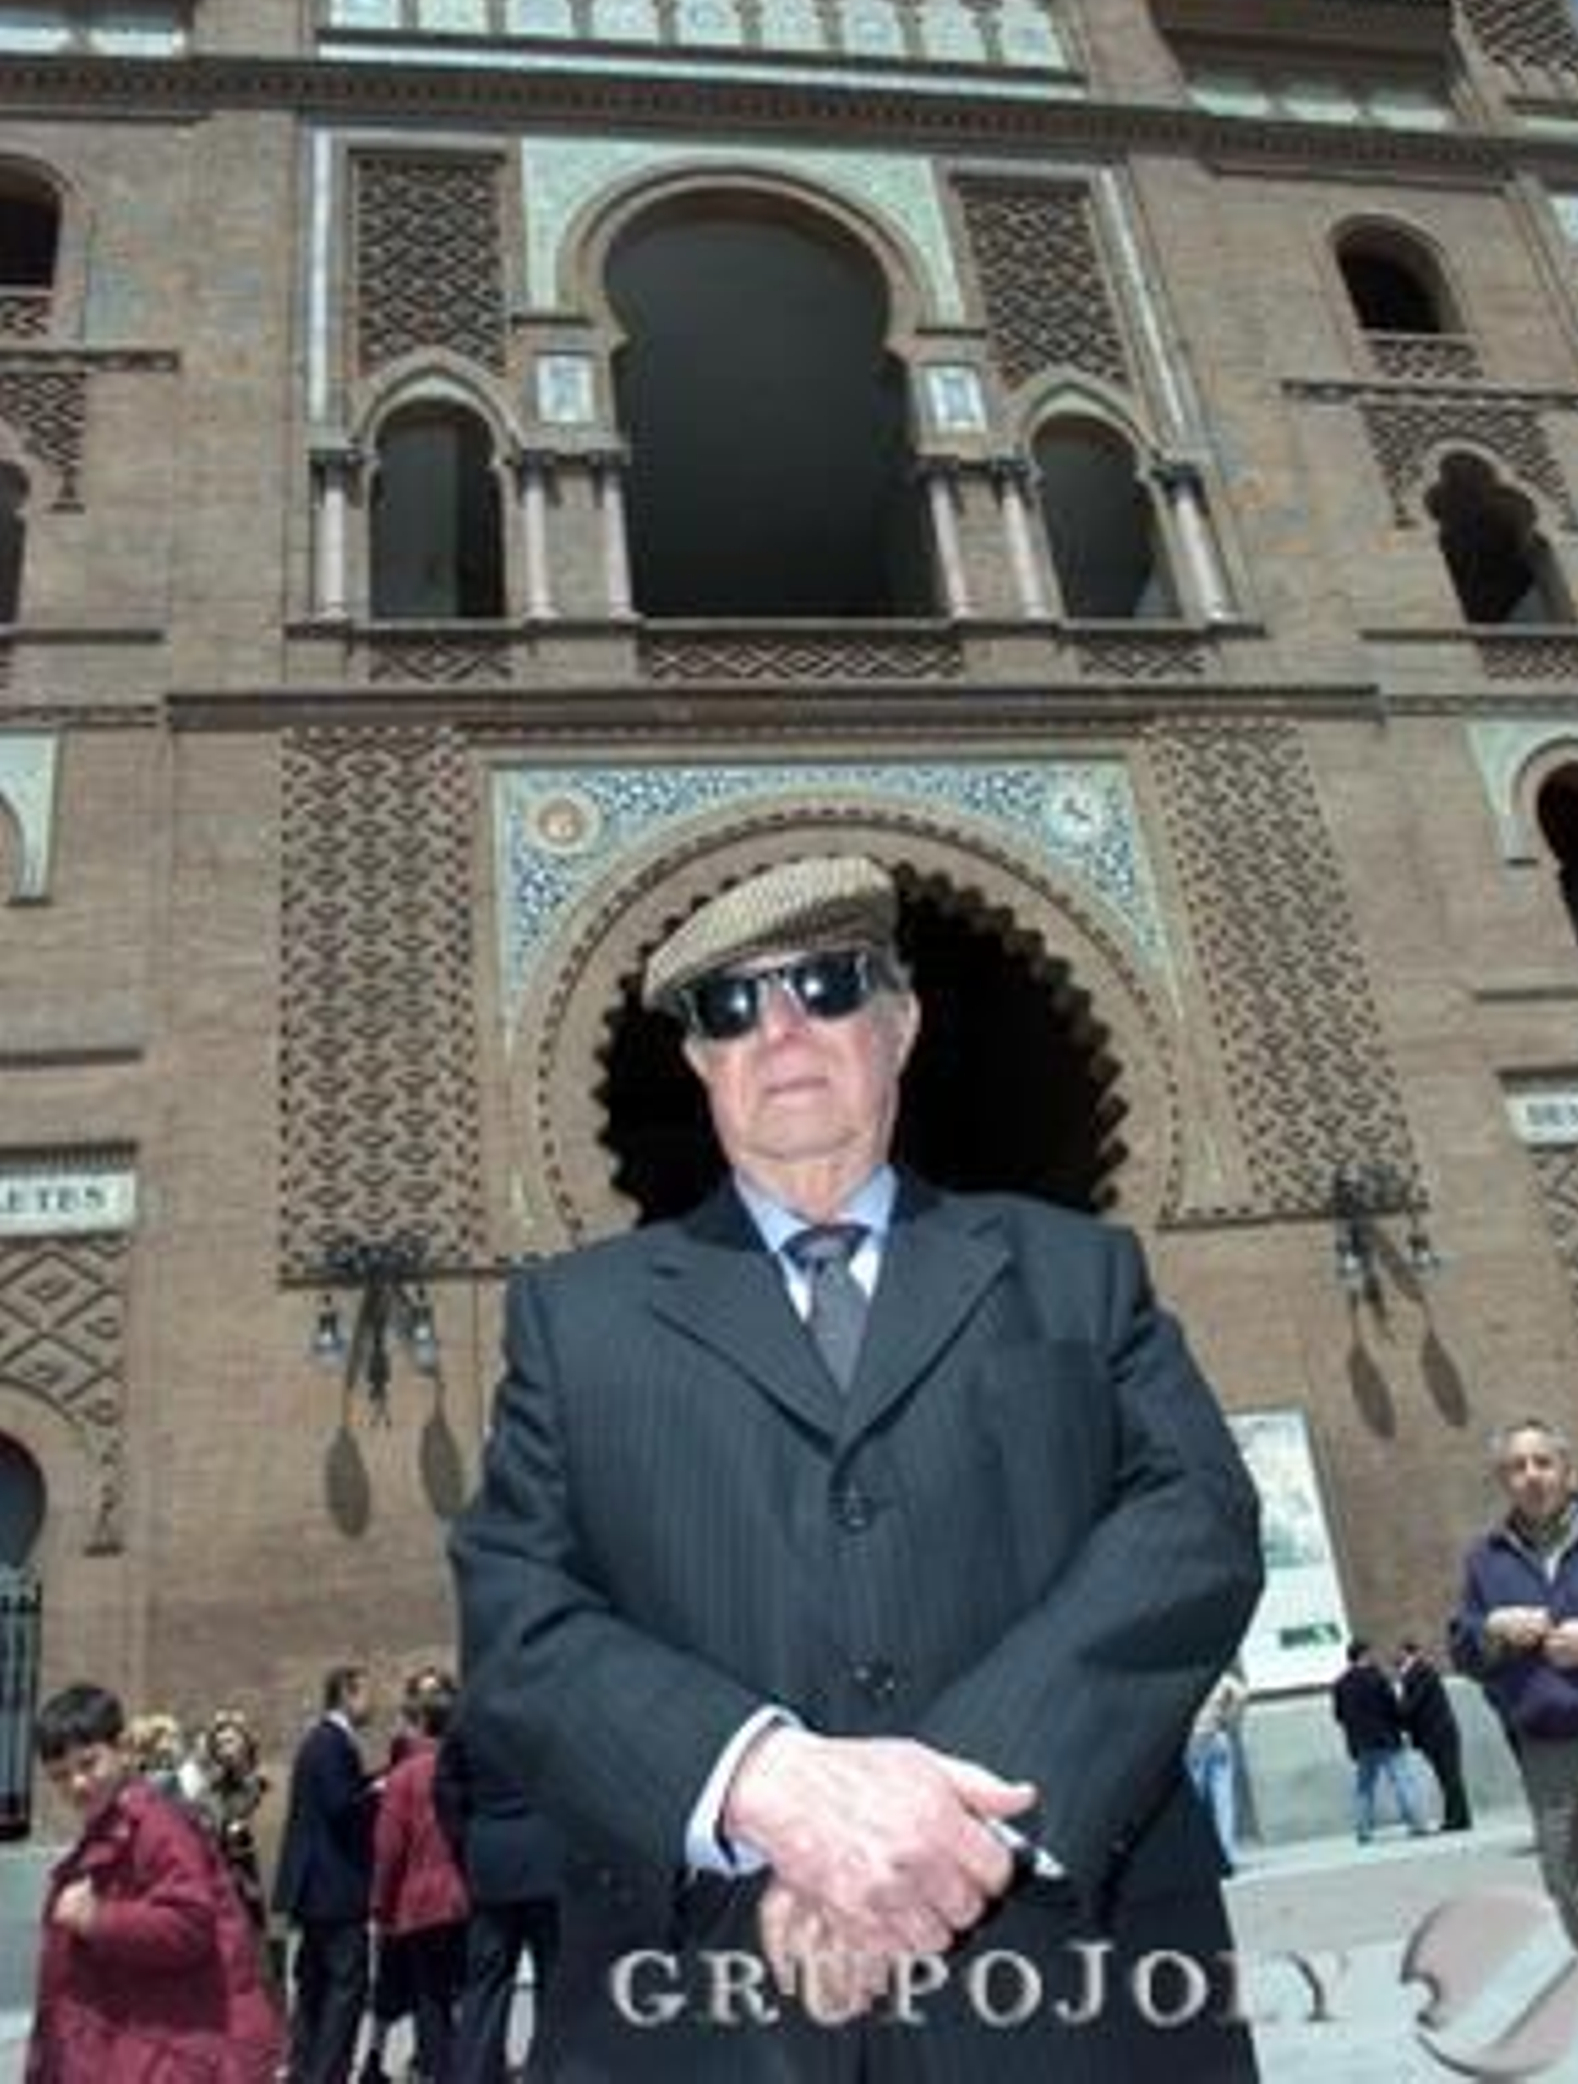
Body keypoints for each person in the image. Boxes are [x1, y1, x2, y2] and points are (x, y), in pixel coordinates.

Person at [451, 851, 1264, 2079]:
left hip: (1080, 1994)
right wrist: (760, 1785)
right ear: (698, 1062)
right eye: (730, 1008)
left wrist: (937, 1826)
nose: (780, 1029)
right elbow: (515, 1614)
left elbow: (1195, 1519)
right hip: (710, 2003)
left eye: (827, 986)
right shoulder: (576, 1323)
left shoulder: (1075, 1272)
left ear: (902, 1022)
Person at [26, 1679, 283, 2082]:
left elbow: (189, 1923)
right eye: (60, 1775)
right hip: (150, 2047)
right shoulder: (109, 1829)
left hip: (180, 2051)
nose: (77, 1783)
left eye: (88, 1764)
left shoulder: (157, 1825)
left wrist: (99, 1919)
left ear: (123, 1749)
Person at [1449, 1416, 1578, 1947]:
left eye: (1543, 1462)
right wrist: (1491, 1629)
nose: (1531, 1476)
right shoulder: (1486, 1558)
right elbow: (1462, 1648)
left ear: (1567, 1470)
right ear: (1503, 1481)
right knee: (1576, 1897)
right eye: (1517, 1467)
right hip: (1547, 1756)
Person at [433, 1715, 563, 2084]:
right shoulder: (549, 1710)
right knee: (553, 1979)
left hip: (490, 1858)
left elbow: (444, 1788)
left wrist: (467, 1841)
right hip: (546, 1858)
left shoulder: (472, 1714)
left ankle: (475, 2074)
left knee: (486, 1982)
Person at [272, 1662, 378, 2084]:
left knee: (314, 1985)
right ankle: (327, 2072)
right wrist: (376, 1794)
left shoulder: (318, 1742)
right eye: (366, 1693)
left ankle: (305, 2069)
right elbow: (341, 1807)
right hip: (335, 1887)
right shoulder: (332, 1743)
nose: (372, 1703)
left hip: (314, 1888)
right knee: (343, 1987)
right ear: (347, 1693)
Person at [370, 1669, 470, 2083]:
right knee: (471, 1991)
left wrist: (379, 1905)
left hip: (421, 1902)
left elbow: (389, 1847)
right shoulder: (469, 1765)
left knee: (430, 1999)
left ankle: (439, 2072)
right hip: (468, 1898)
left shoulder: (405, 1775)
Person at [1330, 1639, 1428, 1844]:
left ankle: (1363, 1831)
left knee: (1364, 1787)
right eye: (1371, 1653)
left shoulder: (1340, 1684)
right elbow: (1393, 1708)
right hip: (1387, 1738)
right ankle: (1416, 1824)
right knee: (1402, 1781)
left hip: (1361, 1743)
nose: (1375, 1656)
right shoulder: (1378, 1678)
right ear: (1364, 1654)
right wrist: (1402, 1725)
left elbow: (1338, 1716)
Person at [193, 1708, 274, 1938]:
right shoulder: (210, 1792)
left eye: (230, 1741)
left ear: (246, 1742)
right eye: (218, 1745)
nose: (224, 1750)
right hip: (229, 1891)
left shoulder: (267, 1785)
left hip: (265, 1884)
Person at [1395, 1639, 1472, 1833]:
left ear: (1407, 1653)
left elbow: (1413, 1704)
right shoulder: (1414, 1673)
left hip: (1439, 1733)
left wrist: (1394, 1715)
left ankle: (1458, 1818)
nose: (1395, 1658)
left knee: (1449, 1777)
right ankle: (1456, 1817)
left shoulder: (1420, 1671)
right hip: (1436, 1734)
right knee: (1447, 1777)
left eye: (1399, 1653)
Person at [1186, 1665, 1248, 1873]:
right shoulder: (1220, 1679)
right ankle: (1228, 1856)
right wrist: (1230, 1719)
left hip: (1193, 1740)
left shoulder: (1186, 1679)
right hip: (1218, 1736)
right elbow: (1241, 1694)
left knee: (1195, 1805)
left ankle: (1200, 1857)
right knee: (1225, 1802)